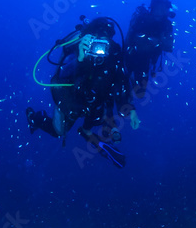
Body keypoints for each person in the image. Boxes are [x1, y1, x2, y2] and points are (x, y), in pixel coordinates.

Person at [27, 16, 138, 168]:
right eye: (98, 35)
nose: (101, 43)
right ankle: (36, 118)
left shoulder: (114, 53)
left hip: (95, 101)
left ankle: (91, 132)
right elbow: (64, 75)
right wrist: (80, 59)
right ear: (90, 34)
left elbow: (122, 81)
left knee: (100, 117)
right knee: (58, 131)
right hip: (71, 99)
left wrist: (130, 109)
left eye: (107, 37)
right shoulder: (78, 47)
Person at [125, 0, 176, 96]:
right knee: (124, 85)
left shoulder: (166, 25)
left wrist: (157, 42)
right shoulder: (142, 19)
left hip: (146, 60)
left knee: (140, 93)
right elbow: (130, 40)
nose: (160, 11)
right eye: (158, 7)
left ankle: (129, 87)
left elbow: (169, 47)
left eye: (163, 8)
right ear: (153, 7)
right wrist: (156, 42)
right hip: (131, 56)